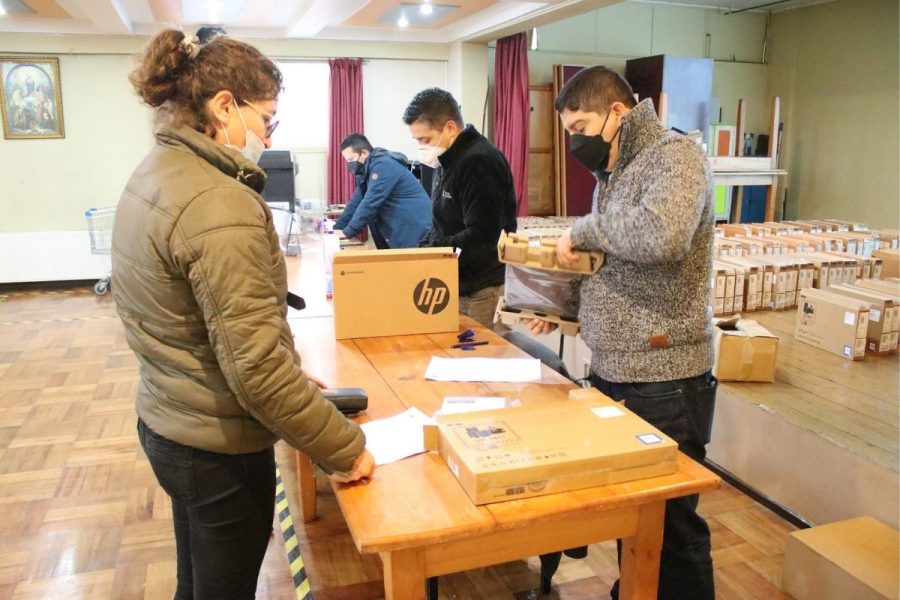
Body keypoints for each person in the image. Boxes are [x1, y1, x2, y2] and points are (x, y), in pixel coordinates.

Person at [112, 29, 375, 600]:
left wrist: (279, 361)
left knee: (197, 583)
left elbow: (194, 323)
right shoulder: (217, 203)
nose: (267, 136)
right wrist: (344, 448)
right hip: (215, 447)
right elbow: (254, 371)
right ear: (224, 106)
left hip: (169, 418)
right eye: (269, 120)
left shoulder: (156, 170)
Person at [528, 66, 717, 600]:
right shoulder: (616, 169)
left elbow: (661, 236)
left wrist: (582, 228)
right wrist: (562, 307)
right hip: (617, 368)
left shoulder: (674, 157)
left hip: (663, 377)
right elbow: (614, 264)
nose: (575, 142)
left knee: (674, 528)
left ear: (617, 113)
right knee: (638, 520)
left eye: (580, 126)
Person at [402, 87, 517, 329]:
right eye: (417, 140)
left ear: (450, 128)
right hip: (455, 277)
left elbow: (483, 235)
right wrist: (421, 251)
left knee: (478, 359)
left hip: (481, 287)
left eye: (426, 139)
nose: (422, 147)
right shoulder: (446, 158)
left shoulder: (479, 161)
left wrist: (435, 251)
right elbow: (441, 222)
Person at [334, 133, 432, 249]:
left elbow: (369, 204)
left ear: (364, 153)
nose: (350, 164)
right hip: (397, 229)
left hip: (413, 228)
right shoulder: (364, 170)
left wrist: (347, 232)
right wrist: (337, 229)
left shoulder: (383, 165)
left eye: (351, 159)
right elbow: (356, 202)